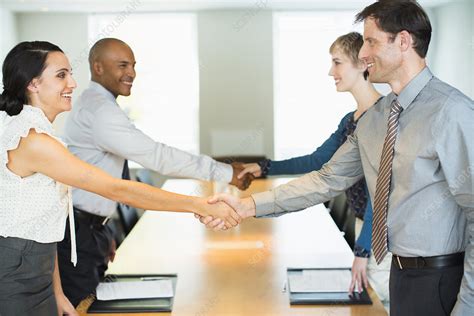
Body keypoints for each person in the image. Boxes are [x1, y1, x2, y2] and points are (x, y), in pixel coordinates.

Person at [202, 1, 474, 315]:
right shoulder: (374, 120)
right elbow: (326, 178)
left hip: (444, 280)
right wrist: (249, 205)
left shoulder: (452, 112)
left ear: (403, 41)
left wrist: (467, 305)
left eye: (371, 41)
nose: (363, 53)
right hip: (398, 273)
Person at [0, 41, 240, 316]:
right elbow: (116, 189)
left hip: (38, 270)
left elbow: (44, 226)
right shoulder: (33, 141)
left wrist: (57, 292)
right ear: (33, 84)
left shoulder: (38, 134)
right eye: (61, 75)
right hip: (16, 274)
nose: (73, 83)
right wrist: (200, 205)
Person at [57, 37, 252, 306]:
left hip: (91, 229)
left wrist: (105, 230)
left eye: (133, 65)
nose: (132, 73)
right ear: (98, 67)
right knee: (84, 308)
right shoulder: (100, 110)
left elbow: (115, 169)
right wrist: (226, 173)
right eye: (122, 65)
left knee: (96, 305)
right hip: (80, 233)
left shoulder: (99, 104)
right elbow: (157, 157)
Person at [234, 32, 390, 300]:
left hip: (380, 235)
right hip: (361, 225)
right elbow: (317, 161)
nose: (331, 71)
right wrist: (264, 167)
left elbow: (381, 193)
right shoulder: (350, 120)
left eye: (337, 62)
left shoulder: (382, 117)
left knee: (380, 303)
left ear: (362, 63)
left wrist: (363, 250)